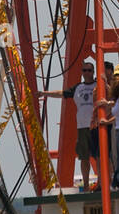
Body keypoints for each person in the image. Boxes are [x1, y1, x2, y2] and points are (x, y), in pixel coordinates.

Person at [42, 61, 98, 189]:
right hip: (82, 127)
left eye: (89, 70)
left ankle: (102, 183)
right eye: (84, 70)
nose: (87, 73)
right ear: (82, 72)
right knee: (84, 157)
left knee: (100, 156)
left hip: (97, 125)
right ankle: (86, 186)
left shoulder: (99, 86)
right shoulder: (78, 87)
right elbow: (62, 93)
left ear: (93, 72)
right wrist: (44, 93)